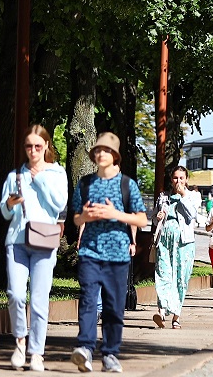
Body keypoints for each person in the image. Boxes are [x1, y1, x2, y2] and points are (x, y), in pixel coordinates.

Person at [70, 132, 147, 374]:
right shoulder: (85, 183)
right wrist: (86, 217)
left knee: (114, 306)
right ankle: (85, 348)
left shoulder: (127, 184)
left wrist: (116, 214)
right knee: (89, 300)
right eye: (97, 151)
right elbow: (75, 217)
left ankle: (111, 353)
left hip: (118, 256)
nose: (100, 154)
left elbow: (142, 219)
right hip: (90, 252)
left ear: (114, 155)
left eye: (105, 151)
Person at [0, 125, 69, 372]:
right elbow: (5, 212)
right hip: (17, 241)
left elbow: (60, 203)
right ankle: (20, 342)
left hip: (44, 242)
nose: (33, 151)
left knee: (39, 300)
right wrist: (9, 203)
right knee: (16, 294)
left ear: (47, 146)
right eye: (29, 146)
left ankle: (37, 352)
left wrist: (38, 180)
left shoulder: (57, 173)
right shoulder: (14, 176)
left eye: (38, 146)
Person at [153, 165, 201, 329]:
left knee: (180, 278)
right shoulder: (164, 196)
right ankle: (161, 312)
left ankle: (176, 316)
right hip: (165, 241)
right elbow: (154, 217)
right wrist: (157, 217)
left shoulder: (193, 196)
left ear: (186, 179)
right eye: (175, 178)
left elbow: (192, 215)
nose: (178, 181)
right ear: (171, 180)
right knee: (163, 275)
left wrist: (183, 195)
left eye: (181, 178)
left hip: (184, 243)